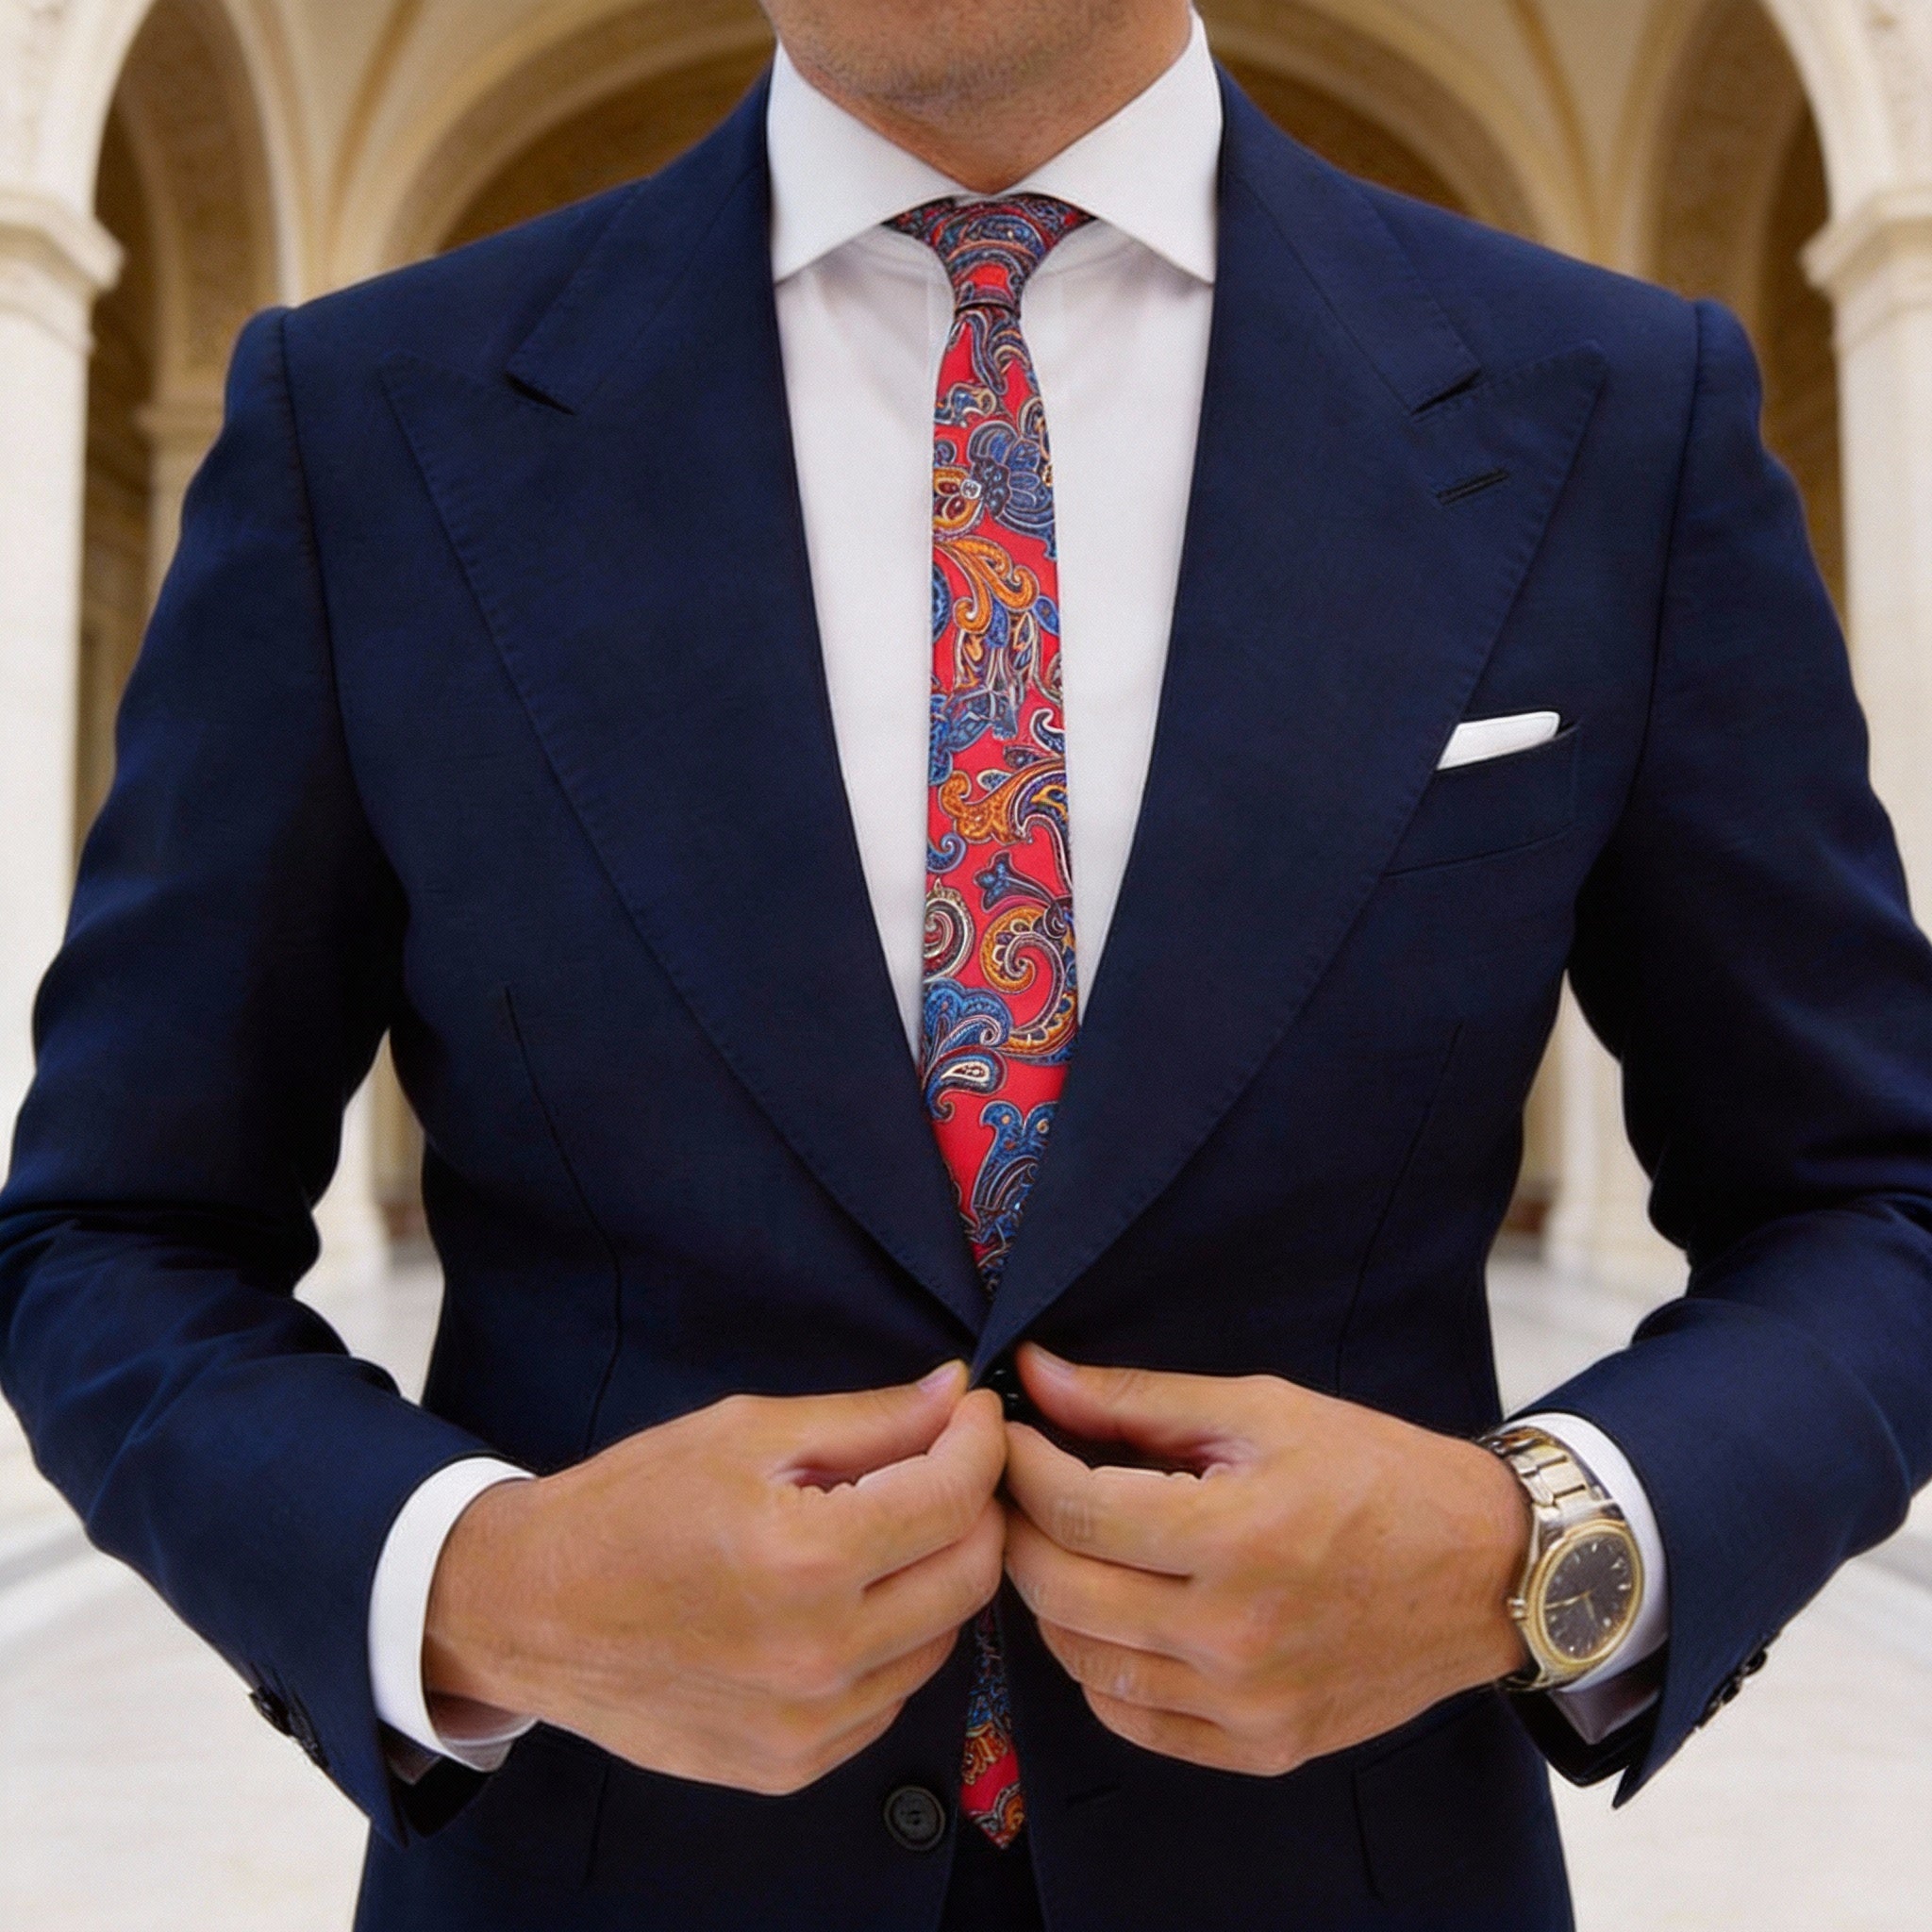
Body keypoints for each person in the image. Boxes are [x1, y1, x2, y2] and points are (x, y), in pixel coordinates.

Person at [4, 2, 1930, 1926]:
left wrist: (1530, 1547)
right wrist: (487, 1589)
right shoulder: (367, 421)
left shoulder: (1610, 409)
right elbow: (113, 1233)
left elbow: (1873, 1200)